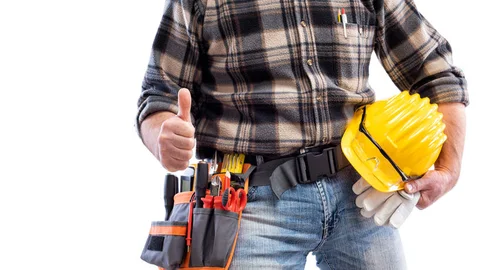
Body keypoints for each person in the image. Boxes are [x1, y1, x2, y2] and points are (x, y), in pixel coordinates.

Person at [136, 0, 468, 268]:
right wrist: (164, 136)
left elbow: (437, 74)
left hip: (361, 195)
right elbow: (158, 97)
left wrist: (448, 170)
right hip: (251, 203)